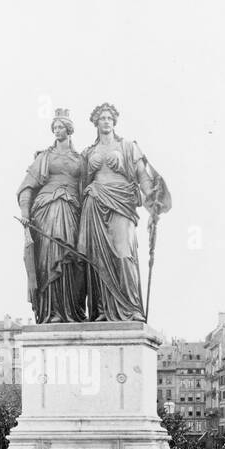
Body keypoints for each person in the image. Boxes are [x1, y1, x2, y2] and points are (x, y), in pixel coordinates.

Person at [77, 101, 171, 322]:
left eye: (109, 118)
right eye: (102, 118)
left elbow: (144, 179)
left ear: (115, 122)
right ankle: (102, 310)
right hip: (94, 202)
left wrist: (153, 206)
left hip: (121, 202)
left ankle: (131, 307)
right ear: (95, 123)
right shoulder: (88, 152)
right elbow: (79, 182)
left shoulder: (128, 147)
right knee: (98, 258)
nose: (106, 121)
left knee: (123, 253)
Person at [17, 109, 86, 323]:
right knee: (49, 258)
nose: (57, 131)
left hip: (73, 210)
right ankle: (52, 311)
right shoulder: (44, 157)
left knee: (72, 258)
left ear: (69, 129)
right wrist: (25, 212)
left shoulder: (80, 158)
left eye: (61, 127)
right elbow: (27, 186)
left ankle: (71, 310)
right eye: (54, 127)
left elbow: (89, 187)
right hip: (46, 210)